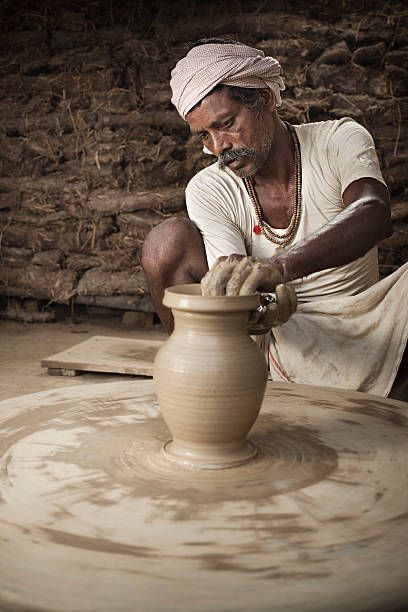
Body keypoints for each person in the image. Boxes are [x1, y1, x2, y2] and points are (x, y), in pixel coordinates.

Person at [142, 38, 408, 400]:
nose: (218, 147)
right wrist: (261, 305)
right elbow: (232, 291)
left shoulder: (338, 139)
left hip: (370, 327)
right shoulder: (209, 189)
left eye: (226, 124)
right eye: (204, 135)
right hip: (283, 340)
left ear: (264, 100)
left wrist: (280, 268)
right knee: (164, 243)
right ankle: (207, 389)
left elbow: (374, 212)